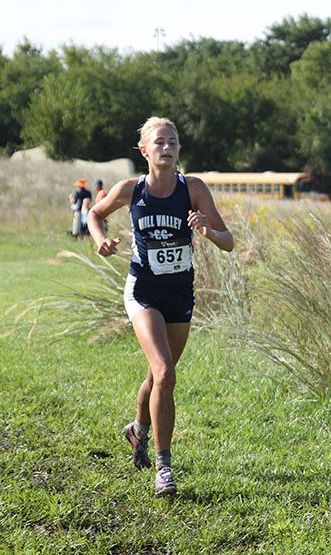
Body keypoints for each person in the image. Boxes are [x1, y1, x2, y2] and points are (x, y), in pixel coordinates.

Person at [87, 117, 234, 496]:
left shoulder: (193, 188)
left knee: (157, 378)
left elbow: (229, 240)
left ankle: (137, 429)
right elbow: (95, 214)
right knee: (166, 372)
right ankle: (164, 468)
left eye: (173, 142)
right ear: (144, 150)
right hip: (144, 291)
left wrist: (208, 230)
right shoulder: (131, 189)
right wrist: (100, 239)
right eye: (159, 142)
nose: (167, 148)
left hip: (180, 294)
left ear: (179, 149)